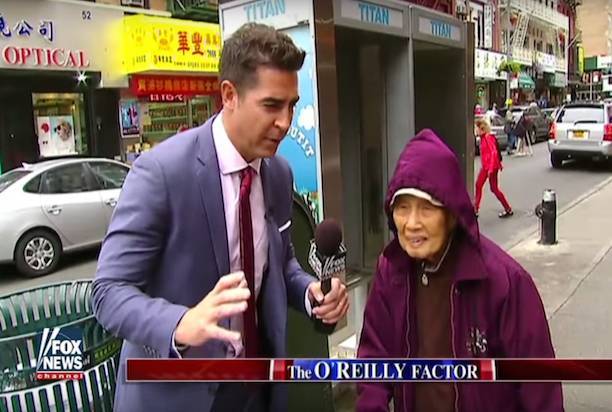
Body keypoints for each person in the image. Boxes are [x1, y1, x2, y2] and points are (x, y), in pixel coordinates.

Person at [92, 23, 348, 412]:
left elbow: (281, 265)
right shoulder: (161, 173)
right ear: (229, 95)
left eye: (292, 105)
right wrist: (178, 325)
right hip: (178, 392)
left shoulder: (277, 174)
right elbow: (108, 291)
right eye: (271, 105)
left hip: (257, 387)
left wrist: (310, 294)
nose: (285, 121)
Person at [356, 129, 562, 412]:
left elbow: (540, 390)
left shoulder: (505, 282)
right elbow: (374, 364)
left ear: (451, 215)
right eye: (402, 208)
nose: (411, 223)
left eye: (426, 209)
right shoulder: (391, 272)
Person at [474, 118, 513, 218]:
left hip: (490, 167)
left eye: (476, 129)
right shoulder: (483, 138)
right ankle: (476, 209)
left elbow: (493, 153)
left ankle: (507, 208)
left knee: (492, 188)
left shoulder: (487, 137)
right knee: (482, 186)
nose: (475, 131)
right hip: (487, 167)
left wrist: (491, 169)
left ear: (481, 128)